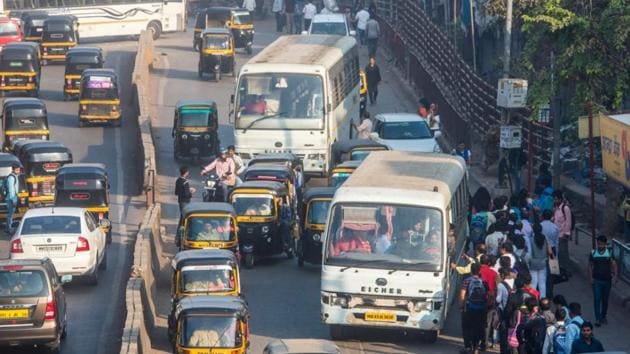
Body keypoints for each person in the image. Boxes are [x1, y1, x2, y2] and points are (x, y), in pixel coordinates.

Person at [588, 235, 618, 327]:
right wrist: (591, 278)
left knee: (605, 300)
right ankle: (598, 318)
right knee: (597, 299)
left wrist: (615, 276)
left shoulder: (609, 253)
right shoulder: (593, 253)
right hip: (597, 280)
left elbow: (614, 265)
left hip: (607, 280)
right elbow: (590, 265)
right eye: (599, 244)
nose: (600, 246)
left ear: (605, 244)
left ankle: (603, 316)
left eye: (602, 244)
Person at [459, 263, 488, 354]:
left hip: (470, 307)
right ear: (479, 271)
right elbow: (489, 295)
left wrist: (461, 306)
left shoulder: (467, 281)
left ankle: (467, 347)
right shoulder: (483, 281)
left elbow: (462, 295)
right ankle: (476, 348)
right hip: (481, 308)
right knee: (478, 327)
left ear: (471, 271)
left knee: (466, 327)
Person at [529, 224, 552, 298]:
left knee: (533, 283)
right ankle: (543, 299)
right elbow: (550, 252)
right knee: (542, 283)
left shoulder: (531, 239)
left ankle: (533, 299)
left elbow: (529, 252)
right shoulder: (545, 239)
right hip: (543, 263)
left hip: (533, 264)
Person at [553, 190, 572, 268]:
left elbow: (568, 222)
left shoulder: (565, 208)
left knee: (563, 254)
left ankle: (566, 270)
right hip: (555, 234)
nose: (555, 201)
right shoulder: (556, 208)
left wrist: (566, 234)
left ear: (560, 199)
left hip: (562, 235)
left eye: (556, 199)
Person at [4, 163, 20, 234]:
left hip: (12, 197)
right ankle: (9, 229)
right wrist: (13, 199)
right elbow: (11, 189)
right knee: (10, 214)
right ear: (13, 169)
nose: (18, 171)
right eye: (17, 170)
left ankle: (8, 228)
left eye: (19, 170)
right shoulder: (11, 177)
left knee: (10, 214)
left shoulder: (13, 176)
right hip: (11, 198)